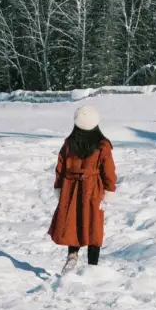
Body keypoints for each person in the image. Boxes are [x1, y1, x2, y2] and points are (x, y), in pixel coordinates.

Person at [48, 104, 117, 273]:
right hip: (92, 188)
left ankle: (72, 255)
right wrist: (109, 189)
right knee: (94, 225)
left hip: (70, 187)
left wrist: (59, 187)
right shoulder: (102, 145)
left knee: (74, 221)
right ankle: (92, 266)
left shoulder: (69, 144)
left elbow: (60, 168)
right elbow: (108, 170)